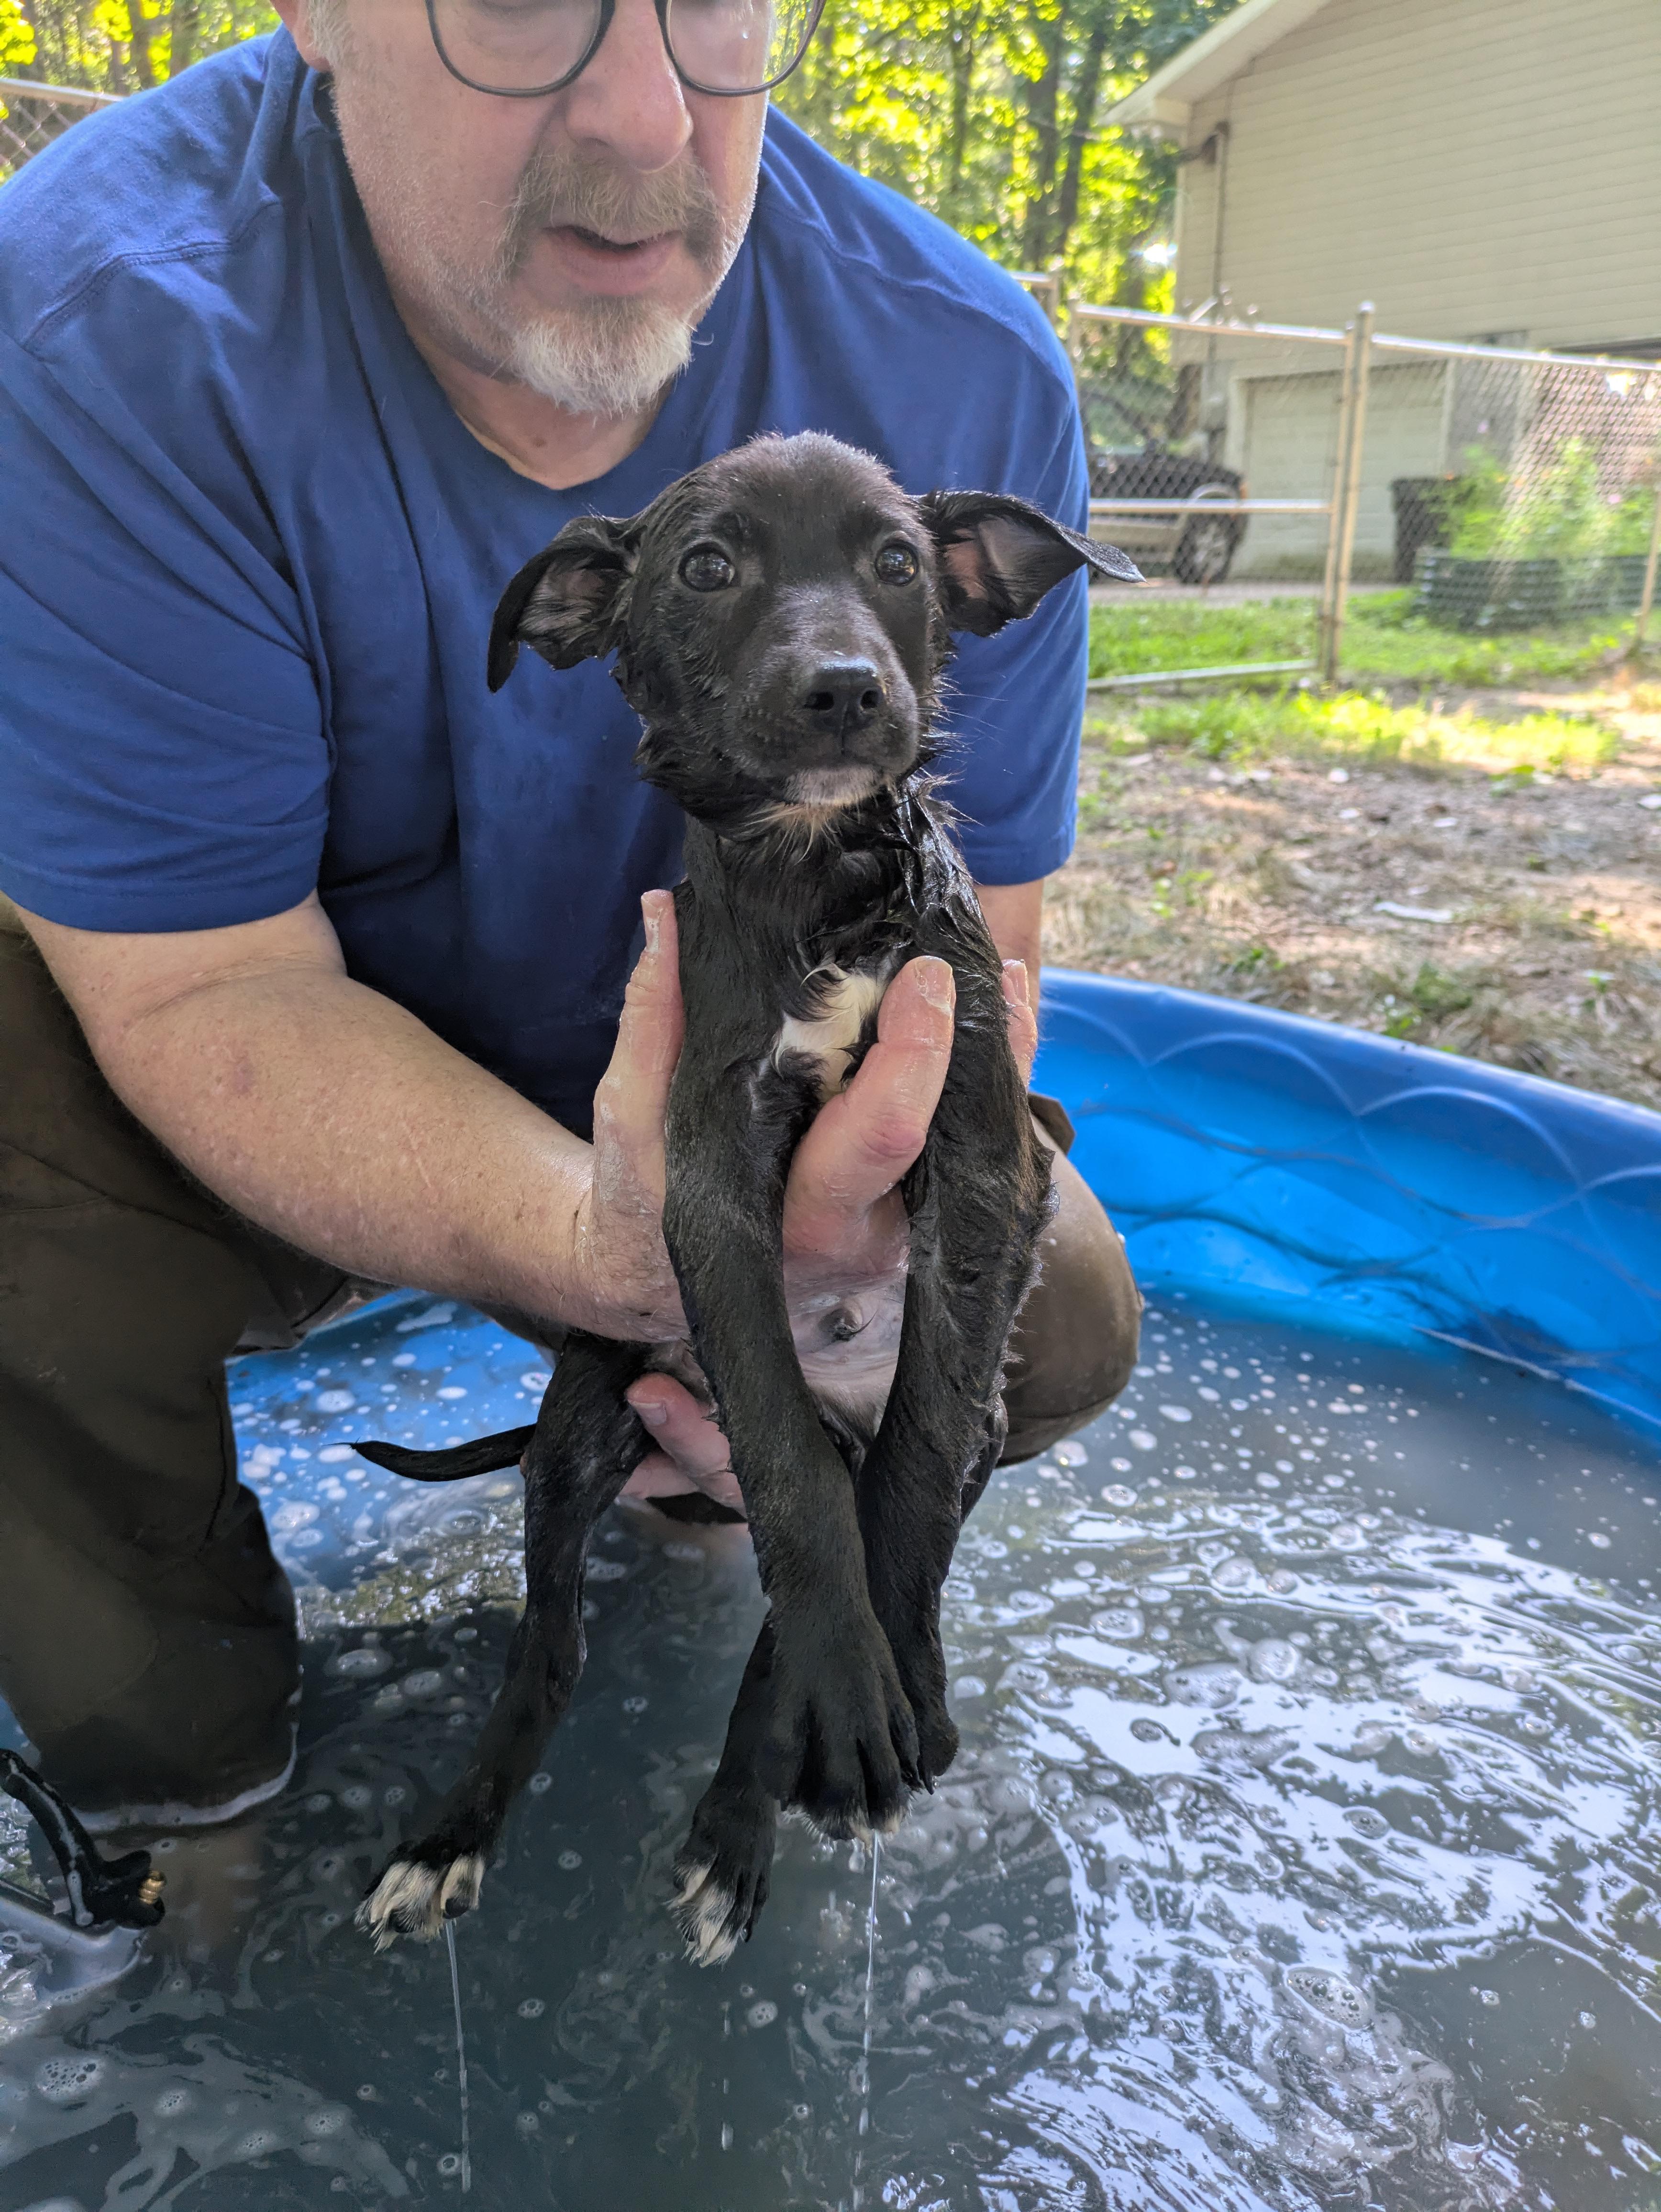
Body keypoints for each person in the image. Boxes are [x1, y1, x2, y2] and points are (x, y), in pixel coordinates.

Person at [0, 0, 1141, 1833]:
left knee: (1047, 1301)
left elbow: (973, 958)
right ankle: (184, 1812)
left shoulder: (963, 371)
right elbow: (211, 987)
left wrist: (817, 1263)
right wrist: (635, 1257)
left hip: (732, 1064)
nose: (647, 115)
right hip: (255, 1054)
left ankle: (694, 1539)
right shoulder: (95, 332)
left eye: (715, 7)